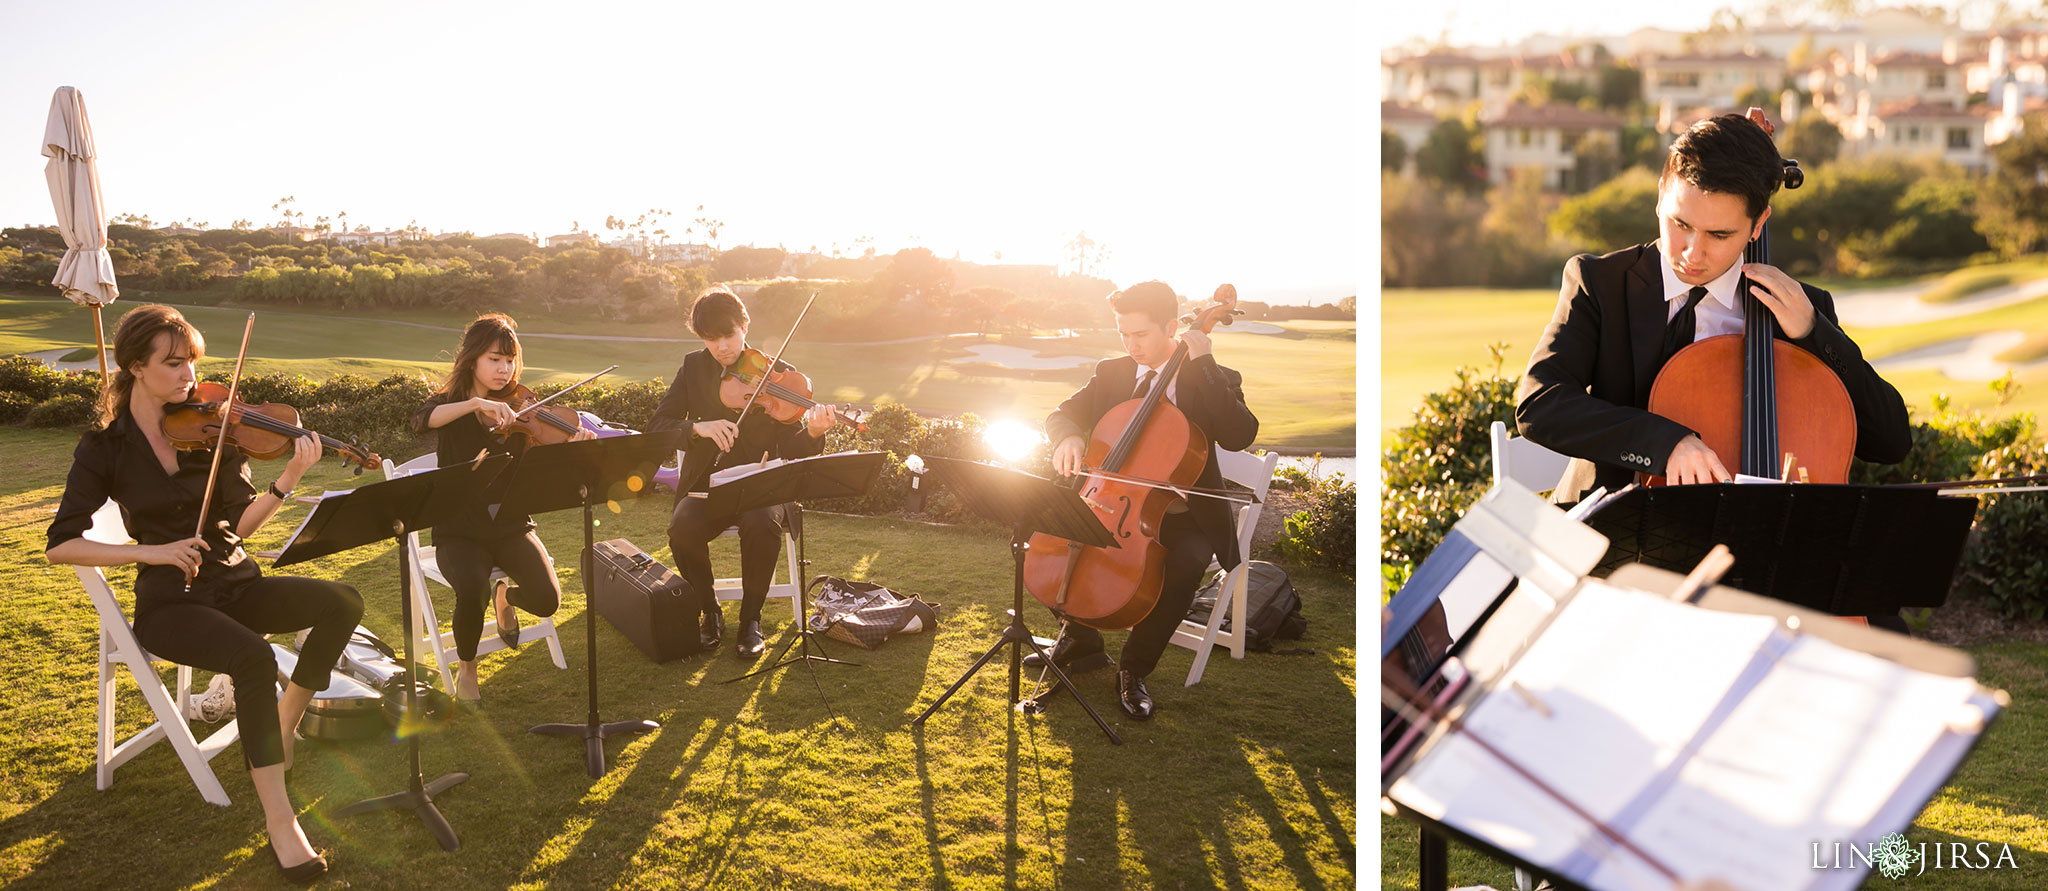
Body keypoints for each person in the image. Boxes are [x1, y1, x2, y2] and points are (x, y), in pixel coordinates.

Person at [45, 304, 362, 882]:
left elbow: (238, 528)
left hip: (236, 582)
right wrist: (150, 551)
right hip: (172, 602)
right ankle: (280, 820)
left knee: (341, 601)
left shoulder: (216, 432)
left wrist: (287, 480)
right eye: (173, 363)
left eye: (192, 361)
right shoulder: (106, 448)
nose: (189, 376)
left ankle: (285, 722)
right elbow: (61, 544)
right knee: (254, 654)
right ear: (136, 366)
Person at [1516, 112, 1911, 501]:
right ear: (1660, 197)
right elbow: (1540, 404)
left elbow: (1891, 441)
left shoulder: (1799, 309)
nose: (1692, 252)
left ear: (1758, 225)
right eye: (1680, 224)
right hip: (1606, 537)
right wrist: (1665, 442)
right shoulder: (1599, 282)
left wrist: (1813, 332)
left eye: (1719, 235)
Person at [1023, 281, 1259, 720]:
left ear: (1172, 327)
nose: (1131, 345)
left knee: (1186, 562)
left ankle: (1134, 668)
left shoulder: (1212, 375)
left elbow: (1240, 434)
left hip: (1185, 514)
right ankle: (1082, 640)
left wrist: (1204, 361)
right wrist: (1069, 437)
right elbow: (1061, 414)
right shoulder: (1112, 372)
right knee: (1054, 538)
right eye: (1123, 334)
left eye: (1141, 335)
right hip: (1112, 502)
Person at [409, 313, 584, 706]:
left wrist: (575, 443)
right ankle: (467, 667)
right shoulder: (450, 404)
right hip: (459, 527)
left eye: (510, 360)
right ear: (473, 359)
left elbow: (543, 467)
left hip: (509, 522)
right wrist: (474, 403)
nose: (504, 369)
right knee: (471, 590)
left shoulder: (522, 407)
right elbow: (420, 420)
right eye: (494, 359)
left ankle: (505, 595)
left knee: (546, 600)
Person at [650, 287, 834, 658]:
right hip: (708, 485)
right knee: (681, 528)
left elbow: (792, 450)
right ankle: (709, 611)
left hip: (764, 487)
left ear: (745, 325)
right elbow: (658, 425)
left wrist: (813, 432)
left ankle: (751, 619)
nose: (721, 347)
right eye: (710, 338)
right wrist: (696, 428)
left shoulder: (781, 377)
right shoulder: (693, 368)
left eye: (728, 335)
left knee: (762, 522)